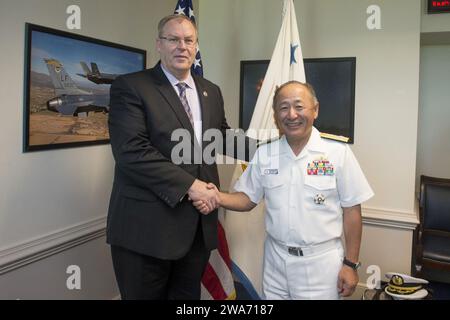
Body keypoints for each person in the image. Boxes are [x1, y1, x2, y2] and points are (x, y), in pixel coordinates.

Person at [106, 14, 253, 300]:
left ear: (196, 47)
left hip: (197, 230)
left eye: (189, 40)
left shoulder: (210, 90)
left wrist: (277, 148)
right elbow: (132, 152)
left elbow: (220, 137)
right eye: (173, 39)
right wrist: (193, 186)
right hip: (146, 232)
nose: (181, 46)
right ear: (159, 44)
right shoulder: (131, 86)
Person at [195, 81, 374, 299]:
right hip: (275, 263)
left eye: (299, 106)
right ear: (275, 115)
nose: (291, 114)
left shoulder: (337, 153)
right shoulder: (265, 153)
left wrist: (351, 264)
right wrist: (216, 196)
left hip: (321, 265)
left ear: (315, 109)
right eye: (283, 107)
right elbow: (247, 198)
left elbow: (352, 211)